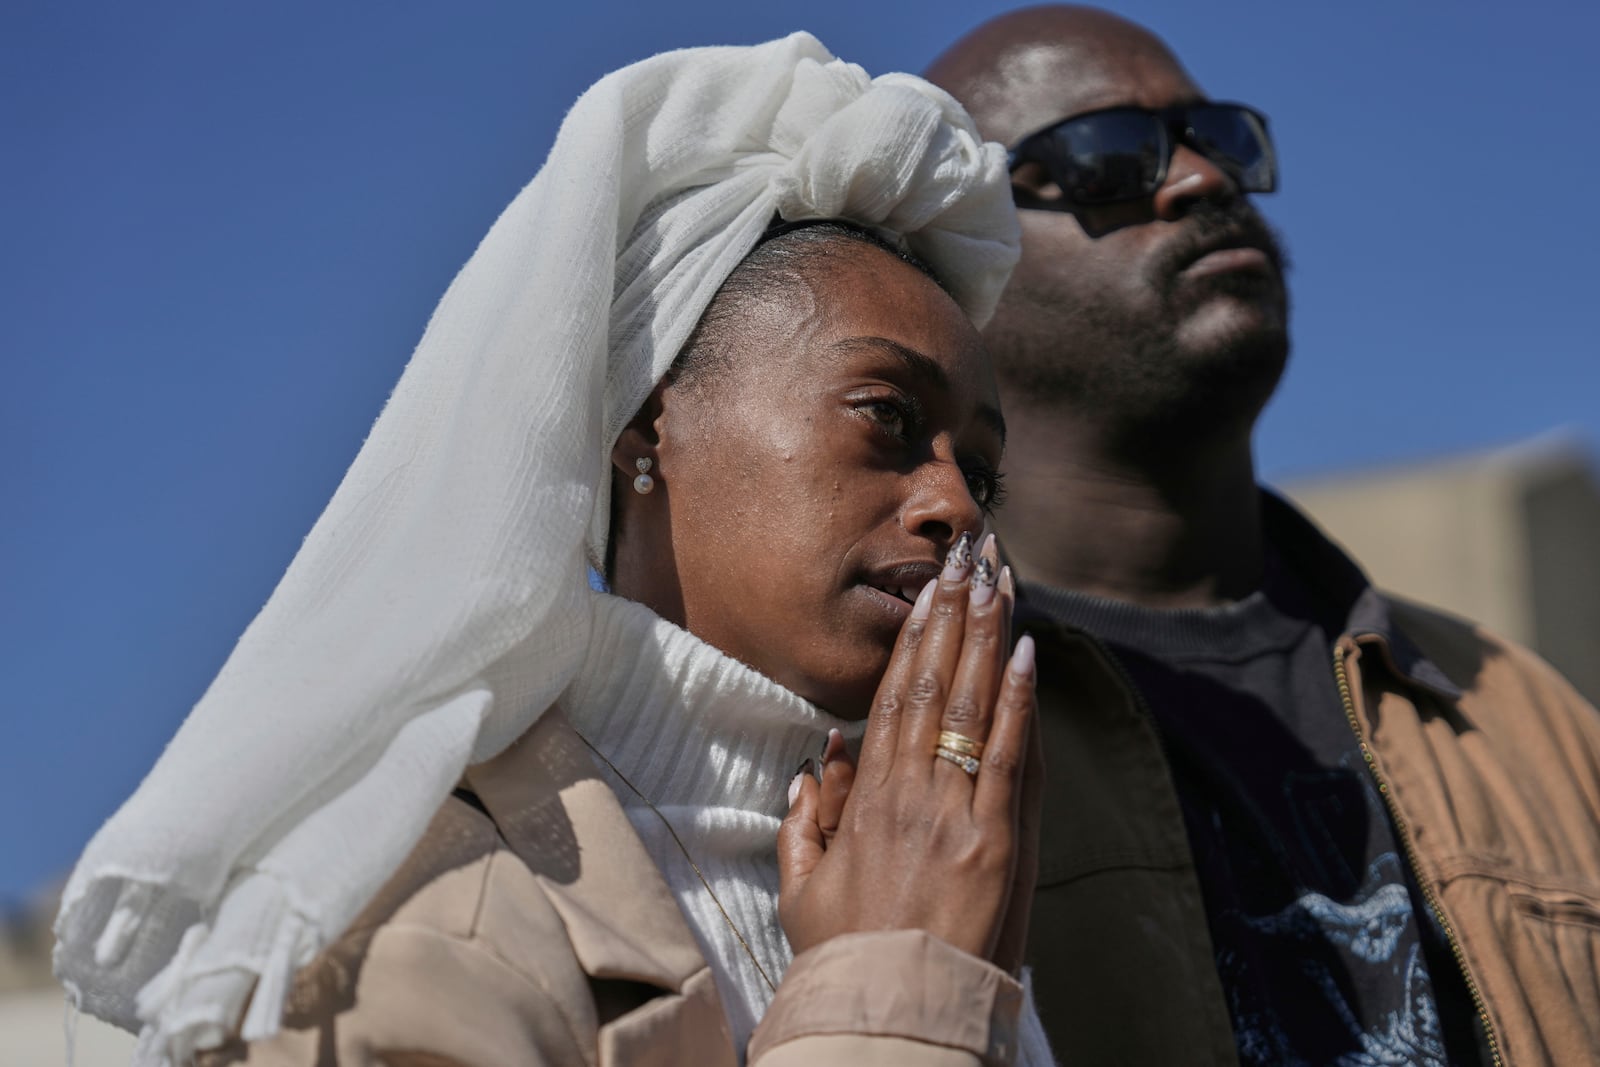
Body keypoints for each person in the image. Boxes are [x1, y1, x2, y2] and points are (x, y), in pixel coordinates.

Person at [53, 35, 1055, 1066]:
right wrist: (891, 997)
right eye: (884, 415)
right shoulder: (414, 917)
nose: (952, 507)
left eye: (979, 475)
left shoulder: (957, 879)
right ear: (641, 432)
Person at [926, 7, 1600, 1066]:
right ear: (956, 270)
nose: (1201, 180)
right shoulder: (900, 715)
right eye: (1103, 158)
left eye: (1219, 138)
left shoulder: (1512, 708)